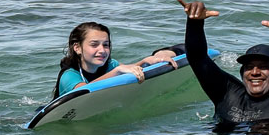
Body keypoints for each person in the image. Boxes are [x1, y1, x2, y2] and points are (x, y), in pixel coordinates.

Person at [177, 0, 269, 124]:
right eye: (249, 67)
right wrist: (195, 22)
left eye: (264, 67)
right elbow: (197, 59)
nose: (255, 72)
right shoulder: (227, 93)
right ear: (242, 73)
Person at [53, 22, 181, 98]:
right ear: (77, 48)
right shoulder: (69, 75)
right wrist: (117, 71)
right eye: (94, 45)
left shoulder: (110, 65)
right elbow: (83, 92)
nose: (102, 50)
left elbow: (131, 70)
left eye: (106, 44)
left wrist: (148, 60)